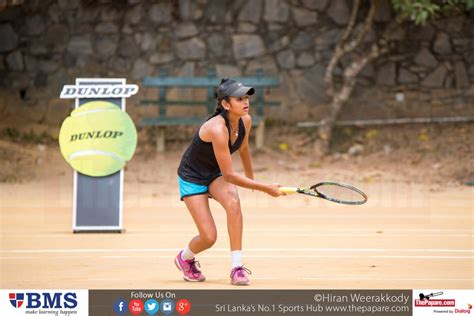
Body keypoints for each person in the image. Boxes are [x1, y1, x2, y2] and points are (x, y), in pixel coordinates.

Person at [174, 78, 285, 286]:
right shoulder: (216, 129)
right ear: (226, 104)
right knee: (208, 237)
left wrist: (252, 179)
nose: (246, 102)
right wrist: (264, 188)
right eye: (239, 98)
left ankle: (237, 268)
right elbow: (230, 175)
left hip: (215, 172)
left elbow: (243, 148)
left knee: (234, 204)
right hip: (193, 176)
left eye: (246, 97)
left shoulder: (245, 120)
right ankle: (184, 258)